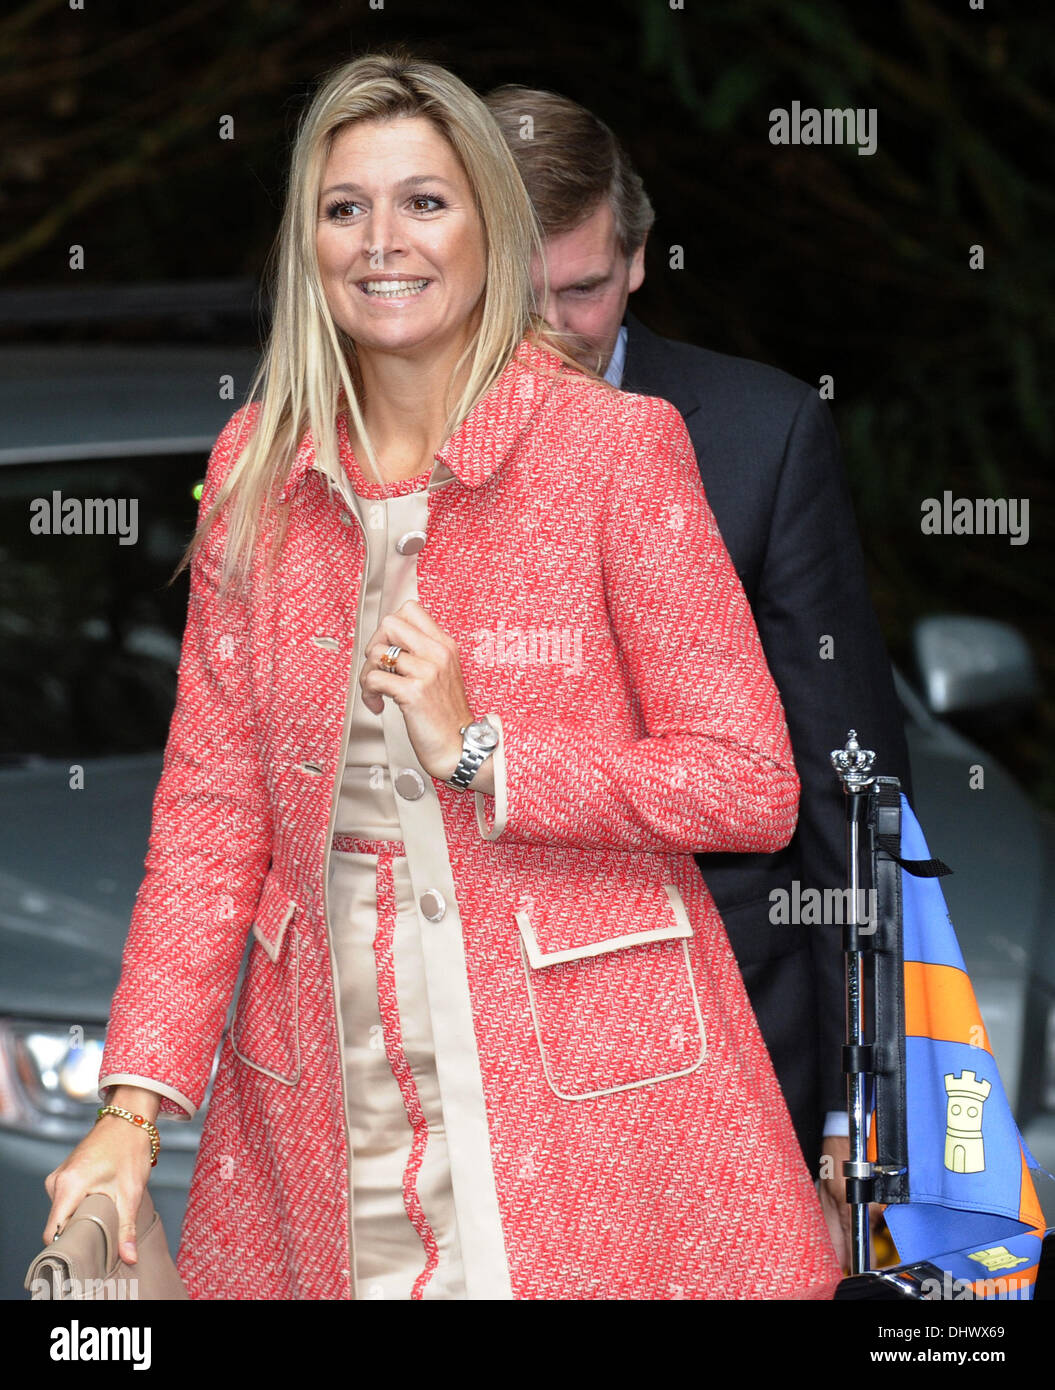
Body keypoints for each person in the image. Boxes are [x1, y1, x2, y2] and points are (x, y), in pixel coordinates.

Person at [41, 48, 842, 1300]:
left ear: (489, 225)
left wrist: (486, 751)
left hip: (597, 1118)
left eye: (423, 201)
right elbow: (209, 819)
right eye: (342, 206)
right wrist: (134, 1110)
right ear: (307, 241)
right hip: (325, 1110)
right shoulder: (257, 463)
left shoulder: (614, 451)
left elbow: (749, 785)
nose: (381, 241)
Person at [482, 85, 913, 1265]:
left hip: (724, 1018)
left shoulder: (756, 431)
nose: (550, 333)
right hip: (466, 1028)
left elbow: (848, 780)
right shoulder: (370, 433)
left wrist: (856, 1099)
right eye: (512, 301)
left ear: (636, 259)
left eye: (582, 289)